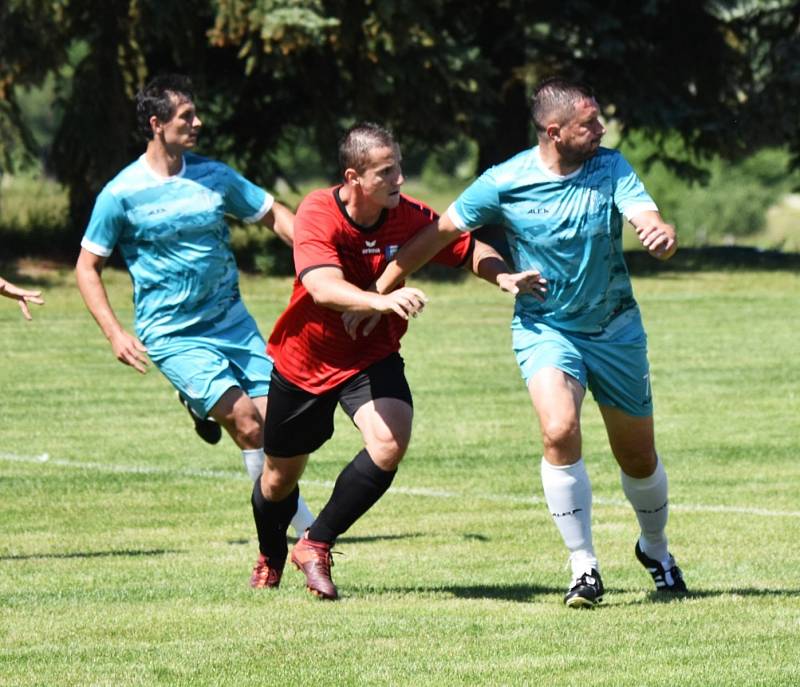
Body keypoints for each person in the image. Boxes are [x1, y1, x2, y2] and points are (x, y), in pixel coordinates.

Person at [372, 77, 687, 608]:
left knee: (637, 456)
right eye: (590, 123)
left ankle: (654, 548)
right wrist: (379, 290)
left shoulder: (611, 167)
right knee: (558, 428)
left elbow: (646, 217)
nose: (602, 129)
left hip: (615, 328)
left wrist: (661, 234)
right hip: (546, 328)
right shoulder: (504, 181)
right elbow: (441, 233)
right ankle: (583, 565)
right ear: (554, 131)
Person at [250, 122, 543, 599]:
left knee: (389, 443)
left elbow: (467, 247)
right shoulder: (318, 211)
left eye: (399, 168)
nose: (399, 180)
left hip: (371, 356)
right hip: (306, 360)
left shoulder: (407, 217)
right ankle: (270, 555)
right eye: (386, 172)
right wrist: (379, 301)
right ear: (353, 177)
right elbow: (322, 287)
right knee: (279, 478)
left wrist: (503, 276)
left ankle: (316, 542)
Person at [75, 74, 315, 572]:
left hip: (234, 323)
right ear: (156, 124)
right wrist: (116, 333)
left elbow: (275, 216)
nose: (197, 123)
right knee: (248, 424)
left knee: (281, 426)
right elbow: (86, 266)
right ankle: (303, 531)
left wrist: (319, 257)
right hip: (173, 334)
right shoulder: (120, 194)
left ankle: (202, 407)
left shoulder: (215, 177)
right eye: (187, 116)